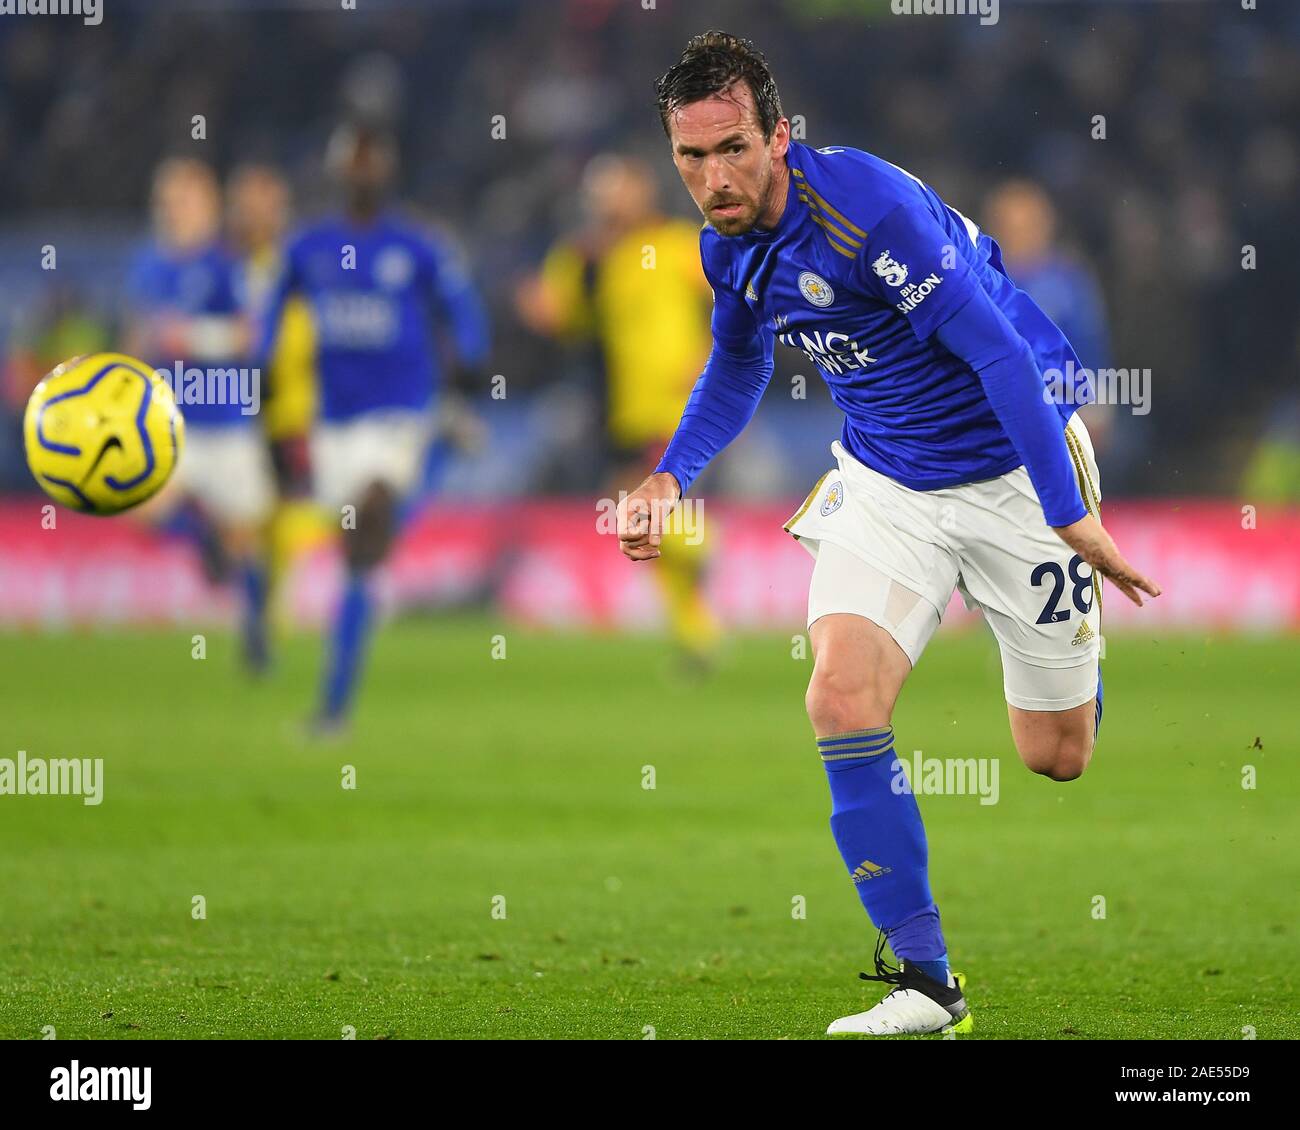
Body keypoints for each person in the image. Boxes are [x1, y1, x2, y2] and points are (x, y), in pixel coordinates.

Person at [616, 32, 1161, 1036]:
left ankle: (1068, 654)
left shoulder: (868, 215)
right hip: (886, 479)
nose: (712, 178)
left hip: (1014, 464)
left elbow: (997, 354)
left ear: (779, 135)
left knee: (1055, 754)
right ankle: (925, 980)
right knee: (837, 694)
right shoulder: (724, 245)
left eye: (732, 148)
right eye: (690, 158)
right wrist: (666, 476)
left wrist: (1066, 509)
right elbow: (736, 367)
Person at [258, 123, 489, 734]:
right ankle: (444, 450)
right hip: (334, 426)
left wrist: (469, 358)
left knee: (371, 524)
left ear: (386, 171)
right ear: (339, 171)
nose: (363, 172)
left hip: (399, 415)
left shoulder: (416, 246)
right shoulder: (308, 248)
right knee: (358, 559)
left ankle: (333, 708)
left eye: (372, 162)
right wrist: (260, 373)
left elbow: (462, 310)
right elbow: (272, 312)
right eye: (353, 162)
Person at [517, 153, 719, 667]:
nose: (608, 202)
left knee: (637, 514)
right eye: (600, 193)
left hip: (677, 403)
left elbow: (732, 297)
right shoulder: (586, 259)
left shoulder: (678, 244)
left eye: (617, 190)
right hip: (619, 407)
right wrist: (543, 311)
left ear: (643, 191)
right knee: (636, 524)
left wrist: (711, 353)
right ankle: (696, 632)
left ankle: (703, 551)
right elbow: (568, 318)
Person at [126, 157, 274, 671]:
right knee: (141, 510)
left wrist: (191, 337)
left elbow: (251, 335)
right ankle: (204, 538)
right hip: (173, 423)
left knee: (246, 540)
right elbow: (139, 334)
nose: (174, 211)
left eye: (183, 201)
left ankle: (256, 633)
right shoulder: (149, 264)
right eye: (166, 202)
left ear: (207, 205)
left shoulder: (228, 263)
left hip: (228, 417)